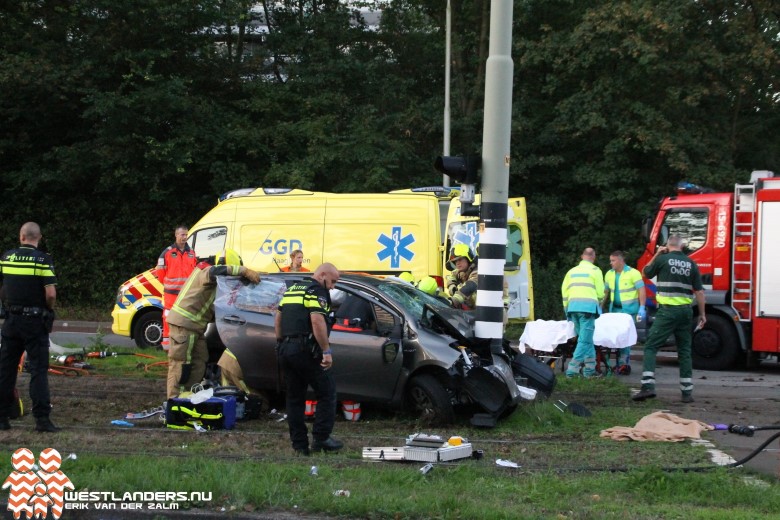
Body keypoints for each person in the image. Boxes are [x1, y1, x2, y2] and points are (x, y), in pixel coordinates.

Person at [165, 249, 260, 399]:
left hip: (195, 327)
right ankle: (174, 400)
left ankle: (189, 396)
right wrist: (243, 271)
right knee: (182, 364)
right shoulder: (206, 270)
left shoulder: (213, 281)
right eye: (230, 271)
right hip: (184, 325)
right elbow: (217, 271)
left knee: (200, 360)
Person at [274, 263, 342, 455]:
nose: (333, 287)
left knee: (294, 399)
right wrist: (326, 351)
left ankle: (300, 446)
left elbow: (278, 317)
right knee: (327, 391)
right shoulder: (317, 291)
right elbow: (317, 320)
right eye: (333, 281)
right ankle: (321, 439)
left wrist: (280, 343)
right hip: (305, 350)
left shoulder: (293, 289)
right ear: (322, 275)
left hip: (286, 349)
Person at [0, 222, 59, 432]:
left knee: (6, 369)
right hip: (35, 321)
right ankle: (42, 420)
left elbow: (3, 287)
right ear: (39, 238)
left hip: (11, 321)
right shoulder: (43, 259)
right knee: (38, 371)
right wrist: (48, 309)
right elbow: (50, 293)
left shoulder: (7, 257)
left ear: (21, 236)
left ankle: (2, 418)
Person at [633, 235, 705, 403]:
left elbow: (645, 272)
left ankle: (648, 387)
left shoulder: (663, 259)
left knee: (651, 346)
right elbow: (700, 292)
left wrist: (657, 253)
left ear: (667, 245)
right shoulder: (691, 264)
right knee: (685, 350)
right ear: (682, 246)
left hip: (667, 312)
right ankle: (687, 393)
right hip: (686, 312)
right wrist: (702, 314)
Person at [561, 247, 604, 378]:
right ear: (593, 257)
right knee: (584, 341)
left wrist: (566, 309)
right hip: (587, 309)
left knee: (586, 340)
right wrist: (598, 302)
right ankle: (572, 371)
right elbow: (601, 293)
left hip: (573, 308)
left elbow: (564, 292)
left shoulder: (571, 271)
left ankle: (590, 370)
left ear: (582, 256)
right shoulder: (596, 271)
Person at [603, 251, 647, 374]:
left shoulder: (633, 273)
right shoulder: (609, 274)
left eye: (613, 260)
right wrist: (600, 307)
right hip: (614, 310)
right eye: (610, 260)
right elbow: (605, 292)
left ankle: (624, 364)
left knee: (625, 339)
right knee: (612, 337)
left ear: (621, 260)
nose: (610, 263)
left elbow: (641, 290)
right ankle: (610, 364)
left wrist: (642, 307)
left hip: (628, 311)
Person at [155, 225, 197, 351]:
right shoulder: (167, 253)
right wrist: (169, 285)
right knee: (168, 318)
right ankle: (168, 347)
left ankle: (183, 345)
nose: (184, 237)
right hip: (171, 294)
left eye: (186, 235)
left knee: (185, 318)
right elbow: (160, 272)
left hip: (186, 294)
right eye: (182, 235)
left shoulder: (191, 253)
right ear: (176, 235)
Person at [446, 244, 478, 310]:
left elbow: (469, 288)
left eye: (460, 259)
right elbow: (452, 275)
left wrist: (452, 301)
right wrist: (452, 286)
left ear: (468, 259)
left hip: (488, 314)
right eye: (455, 261)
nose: (457, 263)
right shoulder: (463, 271)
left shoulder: (477, 271)